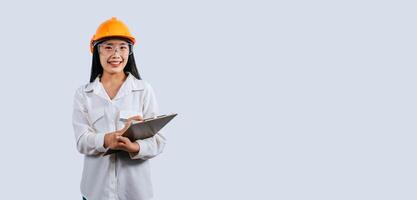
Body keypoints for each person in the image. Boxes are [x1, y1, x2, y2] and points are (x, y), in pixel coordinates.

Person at [72, 17, 166, 200]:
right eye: (108, 47)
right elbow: (81, 141)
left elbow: (159, 141)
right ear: (96, 51)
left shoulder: (143, 90)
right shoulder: (84, 94)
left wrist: (135, 147)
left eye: (122, 47)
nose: (116, 54)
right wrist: (107, 140)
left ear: (130, 52)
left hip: (136, 193)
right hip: (95, 192)